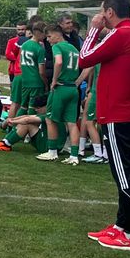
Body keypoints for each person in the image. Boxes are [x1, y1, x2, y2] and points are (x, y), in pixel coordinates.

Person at [78, 0, 130, 252]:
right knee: (124, 172)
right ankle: (121, 226)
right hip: (128, 112)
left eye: (102, 11)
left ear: (110, 12)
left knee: (123, 175)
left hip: (118, 114)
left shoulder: (120, 34)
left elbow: (85, 58)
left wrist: (93, 30)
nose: (101, 15)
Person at [37, 24, 83, 164]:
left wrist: (54, 81)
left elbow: (58, 62)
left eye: (50, 37)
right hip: (73, 89)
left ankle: (52, 152)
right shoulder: (74, 48)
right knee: (72, 123)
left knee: (50, 119)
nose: (49, 40)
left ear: (57, 34)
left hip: (61, 87)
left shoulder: (57, 47)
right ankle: (74, 156)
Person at [10, 22, 48, 121]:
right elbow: (41, 71)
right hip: (36, 82)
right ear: (38, 33)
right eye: (45, 33)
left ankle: (12, 126)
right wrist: (46, 83)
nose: (46, 36)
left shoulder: (24, 45)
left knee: (23, 106)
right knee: (33, 107)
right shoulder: (39, 49)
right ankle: (30, 131)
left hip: (25, 80)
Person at [78, 65, 106, 164]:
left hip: (98, 90)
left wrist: (76, 83)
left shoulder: (98, 52)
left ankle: (98, 154)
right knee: (103, 122)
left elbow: (88, 68)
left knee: (89, 122)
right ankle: (105, 154)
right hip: (104, 89)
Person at [4, 22, 25, 92]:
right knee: (14, 90)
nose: (21, 31)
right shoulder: (11, 41)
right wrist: (17, 59)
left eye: (22, 29)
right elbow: (8, 54)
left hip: (26, 70)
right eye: (19, 29)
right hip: (13, 70)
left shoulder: (29, 41)